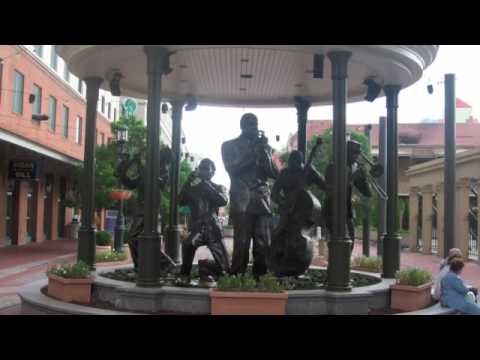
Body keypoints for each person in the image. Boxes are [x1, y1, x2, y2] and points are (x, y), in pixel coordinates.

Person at [221, 113, 278, 278]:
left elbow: (274, 174)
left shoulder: (264, 148)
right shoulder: (229, 145)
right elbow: (233, 169)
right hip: (242, 198)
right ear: (242, 125)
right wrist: (254, 152)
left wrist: (265, 153)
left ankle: (261, 278)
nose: (253, 126)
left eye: (255, 123)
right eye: (249, 123)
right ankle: (237, 278)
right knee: (242, 243)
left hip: (262, 200)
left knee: (263, 243)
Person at [269, 150, 326, 276]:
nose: (293, 165)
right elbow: (274, 194)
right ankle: (277, 263)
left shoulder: (308, 171)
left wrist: (313, 172)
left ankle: (297, 264)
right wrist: (284, 202)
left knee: (298, 236)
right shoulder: (284, 173)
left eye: (296, 163)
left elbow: (324, 185)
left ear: (300, 162)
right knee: (278, 234)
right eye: (291, 162)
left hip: (302, 210)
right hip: (286, 211)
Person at [178, 159, 230, 285]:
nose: (204, 171)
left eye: (207, 169)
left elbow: (223, 200)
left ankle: (205, 267)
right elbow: (180, 201)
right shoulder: (192, 189)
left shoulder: (218, 187)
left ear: (213, 172)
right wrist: (187, 183)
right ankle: (184, 275)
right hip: (198, 228)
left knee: (226, 269)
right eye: (202, 168)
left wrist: (204, 184)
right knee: (188, 244)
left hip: (212, 229)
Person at [322, 140, 374, 250]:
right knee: (340, 246)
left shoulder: (352, 170)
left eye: (358, 153)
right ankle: (335, 266)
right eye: (354, 152)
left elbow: (368, 193)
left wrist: (364, 178)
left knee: (350, 246)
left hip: (347, 213)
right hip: (332, 212)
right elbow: (333, 191)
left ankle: (341, 266)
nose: (357, 156)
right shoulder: (332, 168)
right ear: (346, 152)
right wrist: (353, 176)